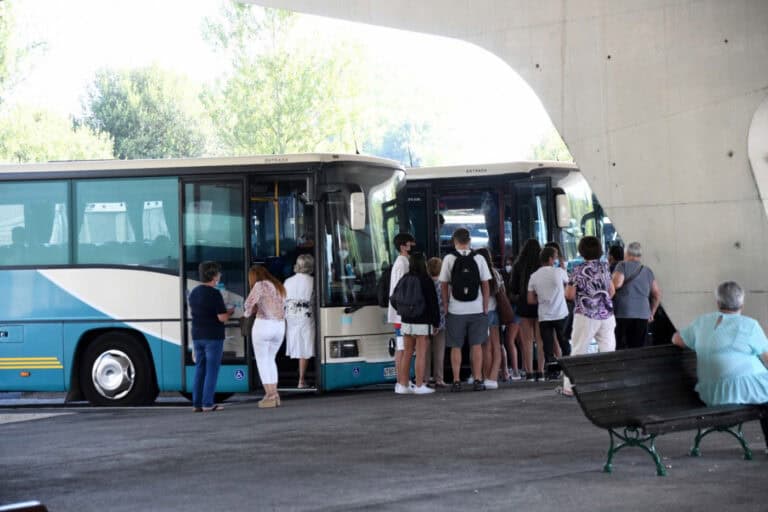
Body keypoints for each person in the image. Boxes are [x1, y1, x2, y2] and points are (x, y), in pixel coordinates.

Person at [672, 281, 768, 409]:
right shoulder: (749, 325)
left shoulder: (702, 322)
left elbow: (677, 339)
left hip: (712, 394)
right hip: (744, 390)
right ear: (742, 304)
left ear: (718, 303)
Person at [439, 227, 492, 392]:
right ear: (469, 241)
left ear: (454, 242)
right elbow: (485, 283)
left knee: (456, 346)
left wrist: (446, 305)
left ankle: (456, 381)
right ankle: (477, 379)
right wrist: (484, 306)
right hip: (477, 309)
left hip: (456, 310)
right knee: (476, 345)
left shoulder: (448, 259)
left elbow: (444, 284)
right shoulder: (479, 258)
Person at [562, 236, 616, 396]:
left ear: (581, 250)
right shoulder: (605, 268)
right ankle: (609, 384)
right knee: (608, 350)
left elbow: (570, 295)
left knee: (579, 349)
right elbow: (612, 291)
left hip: (586, 314)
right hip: (607, 314)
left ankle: (569, 387)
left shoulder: (578, 270)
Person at [187, 261, 234, 412]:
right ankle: (208, 403)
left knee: (200, 369)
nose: (220, 276)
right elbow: (222, 318)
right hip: (213, 336)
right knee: (212, 370)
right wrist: (230, 312)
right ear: (214, 276)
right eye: (218, 273)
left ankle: (197, 404)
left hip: (197, 335)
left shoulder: (194, 292)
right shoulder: (215, 294)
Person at [244, 265, 286, 408]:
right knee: (270, 360)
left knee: (262, 361)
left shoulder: (259, 285)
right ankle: (275, 394)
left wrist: (247, 314)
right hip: (280, 326)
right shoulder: (279, 286)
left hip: (264, 325)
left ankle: (270, 395)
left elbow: (248, 303)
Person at [397, 252, 440, 395]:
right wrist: (436, 322)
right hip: (422, 320)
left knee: (407, 352)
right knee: (421, 353)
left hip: (406, 320)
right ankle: (419, 385)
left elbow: (394, 297)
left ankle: (403, 385)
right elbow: (433, 303)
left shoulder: (405, 278)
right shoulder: (426, 280)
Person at [527, 247, 570, 380]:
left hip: (544, 316)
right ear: (551, 259)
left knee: (548, 345)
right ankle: (568, 370)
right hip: (561, 314)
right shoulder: (559, 272)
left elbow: (530, 300)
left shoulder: (534, 276)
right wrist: (563, 268)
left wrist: (541, 300)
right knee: (564, 342)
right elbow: (569, 287)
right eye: (556, 257)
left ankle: (552, 372)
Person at [612, 242, 662, 350]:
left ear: (627, 253)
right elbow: (657, 294)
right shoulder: (648, 271)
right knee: (638, 348)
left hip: (623, 313)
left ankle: (622, 366)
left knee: (620, 347)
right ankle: (637, 366)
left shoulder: (622, 265)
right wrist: (651, 313)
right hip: (643, 314)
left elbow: (617, 284)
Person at [510, 239, 543, 381]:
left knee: (527, 341)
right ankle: (541, 372)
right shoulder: (542, 265)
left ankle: (529, 372)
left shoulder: (518, 265)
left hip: (524, 305)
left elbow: (512, 288)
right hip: (541, 305)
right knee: (541, 341)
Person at [388, 232, 416, 394]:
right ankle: (402, 381)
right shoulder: (403, 263)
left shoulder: (401, 262)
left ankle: (402, 381)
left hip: (399, 313)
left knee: (402, 348)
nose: (413, 245)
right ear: (403, 246)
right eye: (410, 243)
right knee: (404, 349)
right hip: (402, 314)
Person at [284, 254, 315, 389]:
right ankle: (301, 380)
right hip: (306, 316)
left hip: (290, 316)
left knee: (296, 344)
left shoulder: (288, 281)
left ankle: (299, 373)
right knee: (305, 347)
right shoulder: (313, 281)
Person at [477, 248, 502, 389]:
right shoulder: (496, 273)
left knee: (485, 347)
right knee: (496, 346)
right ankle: (493, 377)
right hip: (495, 311)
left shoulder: (480, 273)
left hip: (483, 311)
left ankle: (486, 376)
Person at [425, 256, 447, 387]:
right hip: (442, 321)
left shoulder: (425, 283)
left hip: (426, 322)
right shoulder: (443, 284)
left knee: (426, 352)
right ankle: (439, 378)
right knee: (439, 351)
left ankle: (425, 378)